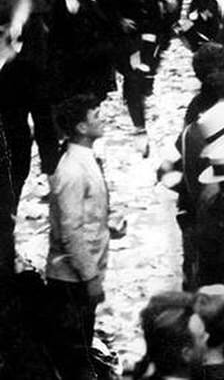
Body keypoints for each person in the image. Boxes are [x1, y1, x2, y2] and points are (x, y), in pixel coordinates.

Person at [46, 95, 112, 380]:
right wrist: (90, 277)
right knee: (75, 353)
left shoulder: (85, 159)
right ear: (81, 128)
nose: (102, 117)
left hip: (81, 274)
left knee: (81, 342)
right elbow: (71, 231)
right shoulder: (72, 170)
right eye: (95, 114)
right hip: (72, 280)